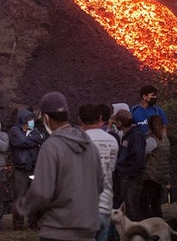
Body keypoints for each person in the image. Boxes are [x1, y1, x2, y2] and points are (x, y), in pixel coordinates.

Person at [17, 91, 103, 241]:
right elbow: (100, 185)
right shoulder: (89, 145)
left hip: (58, 230)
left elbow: (42, 192)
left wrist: (23, 206)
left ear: (46, 117)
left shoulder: (51, 147)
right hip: (87, 230)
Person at [78, 104, 119, 241]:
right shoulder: (112, 140)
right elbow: (111, 169)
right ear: (100, 117)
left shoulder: (78, 141)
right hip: (106, 204)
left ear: (79, 119)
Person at [9, 109, 45, 231]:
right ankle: (18, 224)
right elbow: (21, 141)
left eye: (32, 119)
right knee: (19, 196)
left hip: (33, 168)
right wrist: (34, 141)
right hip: (20, 169)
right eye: (29, 119)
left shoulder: (35, 131)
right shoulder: (15, 130)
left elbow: (42, 137)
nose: (31, 121)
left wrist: (33, 139)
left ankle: (33, 222)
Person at [113, 109, 145, 222]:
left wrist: (129, 173)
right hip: (126, 176)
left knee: (133, 209)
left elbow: (138, 158)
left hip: (132, 178)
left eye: (116, 122)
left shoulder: (135, 135)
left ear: (119, 123)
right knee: (128, 208)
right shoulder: (127, 135)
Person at [141, 115, 170, 219]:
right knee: (156, 202)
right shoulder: (165, 139)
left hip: (151, 175)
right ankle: (159, 222)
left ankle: (151, 223)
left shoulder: (152, 140)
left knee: (144, 203)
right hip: (161, 174)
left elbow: (143, 154)